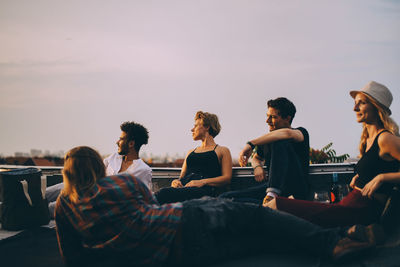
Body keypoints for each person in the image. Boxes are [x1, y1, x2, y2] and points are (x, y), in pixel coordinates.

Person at [55, 146, 372, 267]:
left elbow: (74, 257)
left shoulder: (64, 206)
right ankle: (335, 243)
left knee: (258, 243)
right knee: (258, 215)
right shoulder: (122, 182)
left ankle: (333, 244)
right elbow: (149, 209)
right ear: (98, 165)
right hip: (185, 222)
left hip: (180, 256)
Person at [264, 81, 400, 228]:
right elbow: (380, 165)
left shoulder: (385, 138)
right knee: (277, 208)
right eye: (355, 103)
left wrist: (382, 178)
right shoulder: (368, 140)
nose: (355, 108)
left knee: (277, 205)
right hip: (350, 204)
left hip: (360, 210)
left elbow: (383, 173)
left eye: (362, 103)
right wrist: (363, 177)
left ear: (376, 106)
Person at [46, 121, 151, 217]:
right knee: (62, 187)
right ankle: (36, 200)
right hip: (90, 190)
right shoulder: (113, 158)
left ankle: (39, 211)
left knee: (54, 207)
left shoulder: (143, 170)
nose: (117, 142)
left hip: (103, 204)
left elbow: (142, 200)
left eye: (121, 139)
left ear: (131, 143)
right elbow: (96, 171)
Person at [220, 97, 310, 203]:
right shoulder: (268, 141)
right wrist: (257, 166)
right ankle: (268, 202)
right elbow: (256, 158)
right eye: (267, 116)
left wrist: (251, 144)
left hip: (294, 189)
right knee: (224, 198)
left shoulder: (300, 132)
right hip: (268, 188)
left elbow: (286, 133)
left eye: (273, 117)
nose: (267, 121)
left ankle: (272, 195)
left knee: (279, 140)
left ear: (287, 118)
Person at [155, 111, 232, 204]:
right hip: (184, 189)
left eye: (195, 126)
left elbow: (227, 178)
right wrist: (175, 182)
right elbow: (181, 177)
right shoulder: (190, 152)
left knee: (163, 193)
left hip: (204, 192)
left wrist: (202, 182)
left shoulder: (222, 150)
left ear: (207, 127)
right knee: (161, 193)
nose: (192, 129)